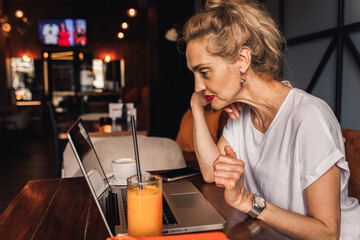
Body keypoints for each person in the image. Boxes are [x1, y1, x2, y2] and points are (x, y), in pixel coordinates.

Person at [182, 0, 360, 239]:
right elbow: (212, 173)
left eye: (204, 72)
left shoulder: (308, 118)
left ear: (242, 60)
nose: (198, 86)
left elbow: (327, 234)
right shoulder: (242, 116)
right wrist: (196, 106)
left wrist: (248, 201)